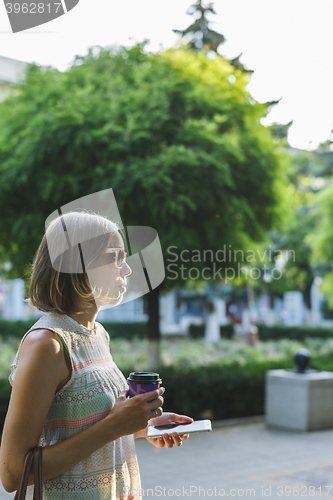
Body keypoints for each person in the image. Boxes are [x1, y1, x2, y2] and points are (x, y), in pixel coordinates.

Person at [0, 211, 193, 500]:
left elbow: (91, 429)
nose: (127, 269)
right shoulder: (47, 344)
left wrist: (144, 426)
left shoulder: (98, 334)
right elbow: (13, 474)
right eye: (115, 257)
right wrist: (116, 425)